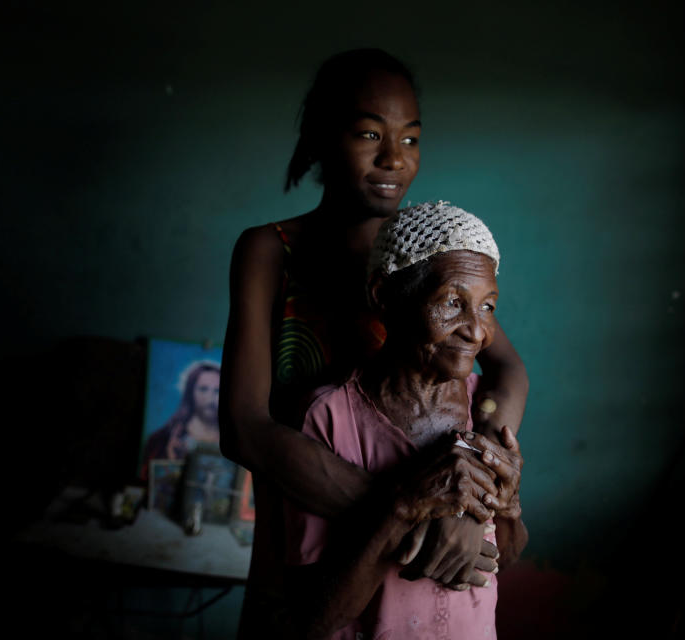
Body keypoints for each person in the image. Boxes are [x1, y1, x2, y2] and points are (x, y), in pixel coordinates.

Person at [218, 49, 529, 636]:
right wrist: (411, 512)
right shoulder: (271, 251)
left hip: (421, 544)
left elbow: (508, 374)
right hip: (309, 530)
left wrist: (470, 492)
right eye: (369, 133)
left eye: (411, 139)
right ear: (321, 139)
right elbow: (244, 427)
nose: (395, 159)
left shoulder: (429, 257)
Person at [282, 202, 527, 639]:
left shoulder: (483, 410)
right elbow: (310, 619)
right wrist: (402, 508)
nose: (476, 331)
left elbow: (500, 561)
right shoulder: (329, 417)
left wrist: (506, 509)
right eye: (454, 302)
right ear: (384, 295)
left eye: (487, 306)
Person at [140, 362, 220, 478]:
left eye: (217, 391)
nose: (211, 398)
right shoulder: (164, 439)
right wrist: (172, 460)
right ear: (191, 392)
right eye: (203, 389)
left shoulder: (234, 442)